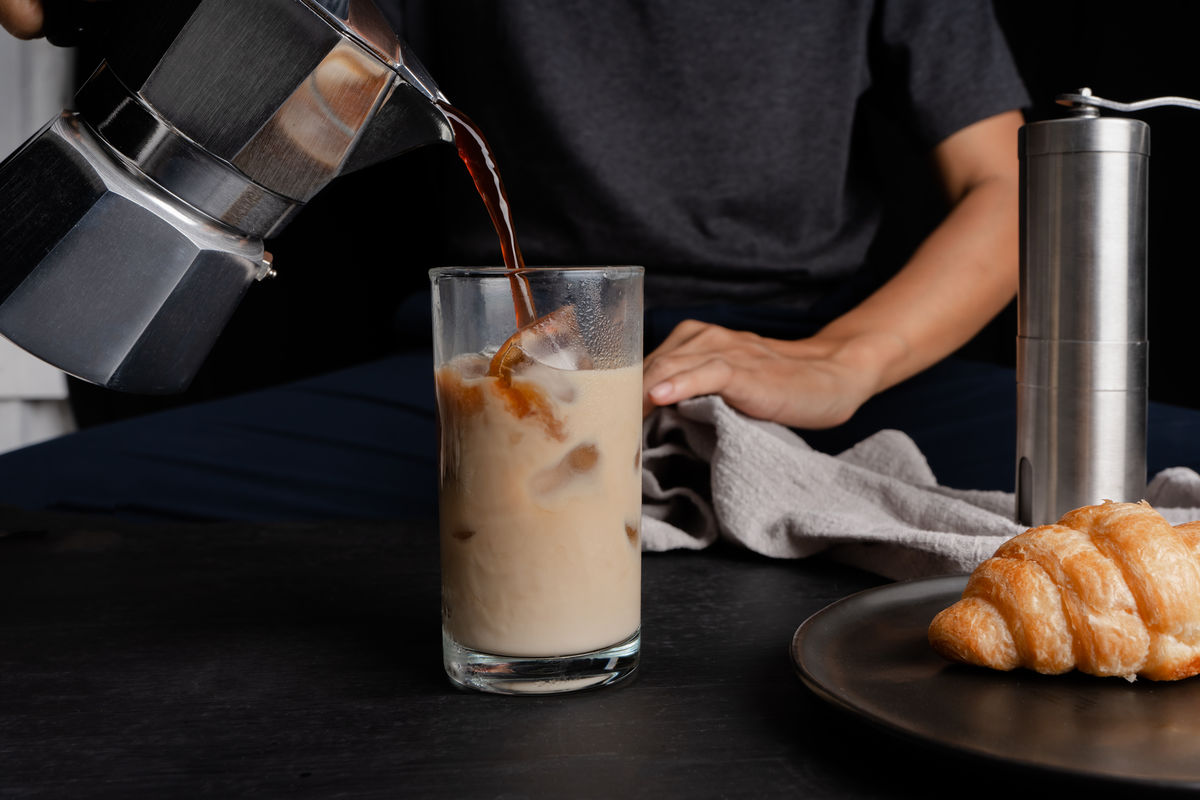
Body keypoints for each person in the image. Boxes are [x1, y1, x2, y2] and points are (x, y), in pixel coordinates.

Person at [7, 0, 1189, 521]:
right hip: (512, 362)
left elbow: (1006, 186)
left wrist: (838, 360)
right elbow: (310, 55)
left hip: (816, 351)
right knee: (39, 506)